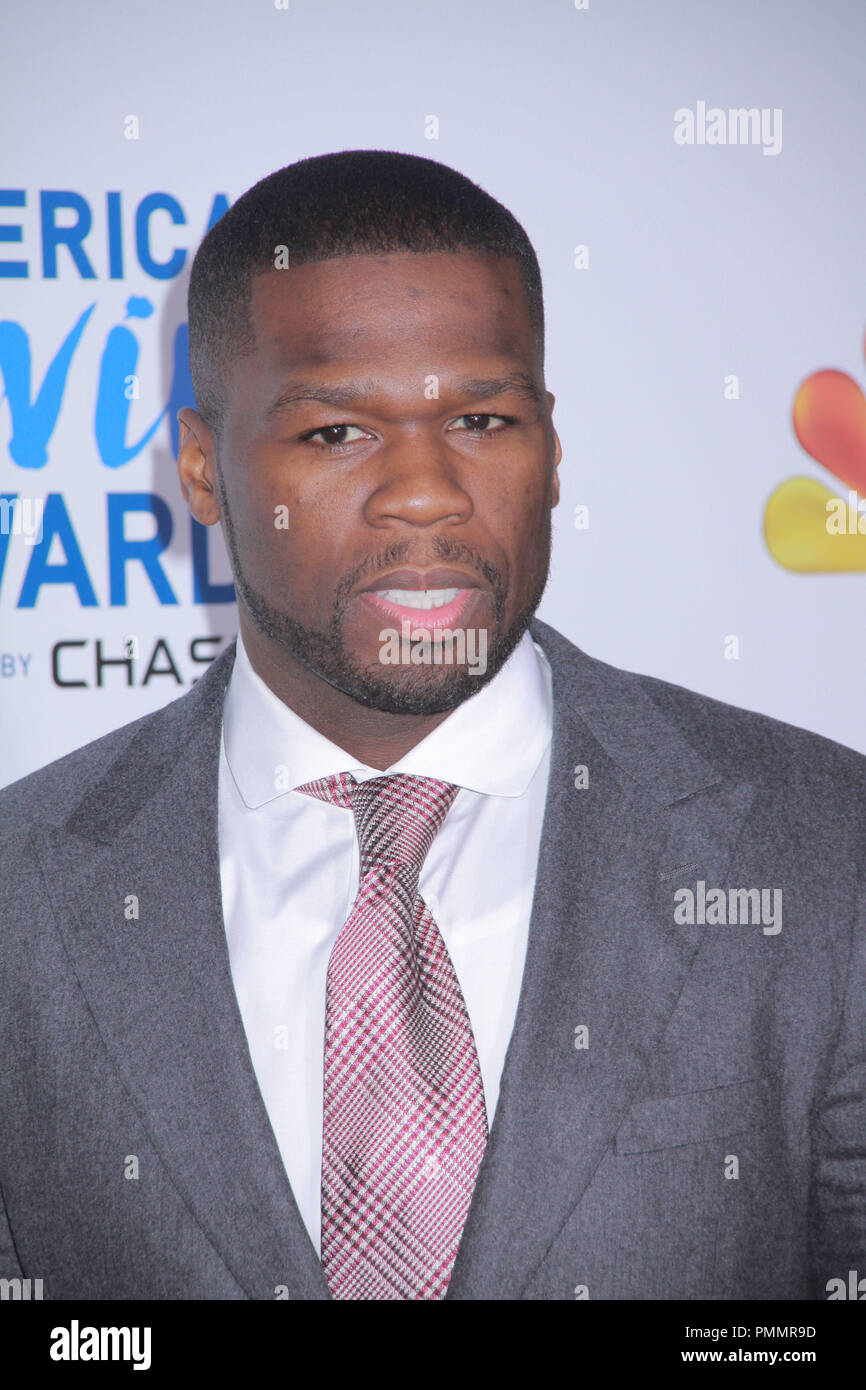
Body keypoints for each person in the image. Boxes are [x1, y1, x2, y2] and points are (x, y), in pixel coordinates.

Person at [1, 150, 864, 1302]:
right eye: (335, 433)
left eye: (478, 416)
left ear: (550, 449)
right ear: (202, 470)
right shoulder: (24, 893)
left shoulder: (822, 850)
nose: (425, 488)